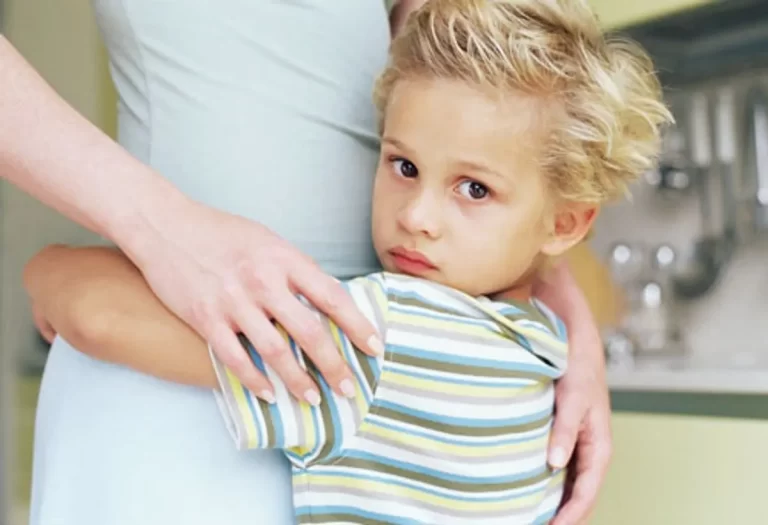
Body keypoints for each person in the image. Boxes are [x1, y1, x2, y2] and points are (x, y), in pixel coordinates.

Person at [24, 1, 671, 523]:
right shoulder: (526, 351)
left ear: (565, 224)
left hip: (219, 370)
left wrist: (49, 263)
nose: (417, 215)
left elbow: (95, 313)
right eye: (403, 165)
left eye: (473, 188)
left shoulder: (389, 338)